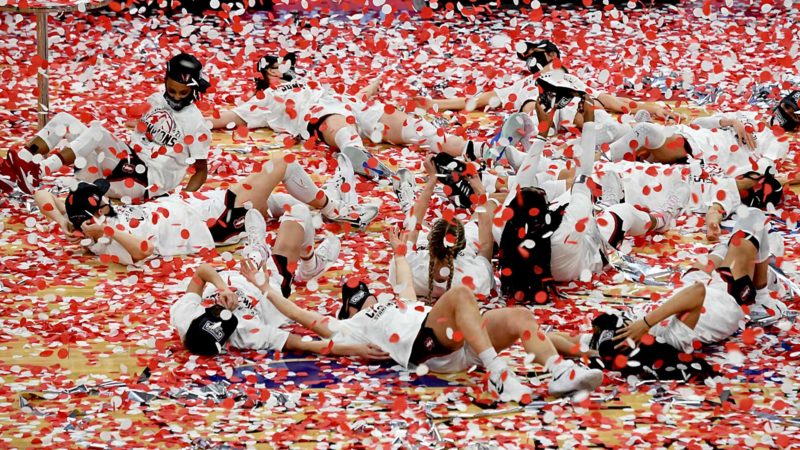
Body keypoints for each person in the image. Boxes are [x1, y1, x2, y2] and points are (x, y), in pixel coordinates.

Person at [259, 227, 604, 402]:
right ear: (348, 307)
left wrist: (397, 252)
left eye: (363, 291)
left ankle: (559, 372)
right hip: (427, 347)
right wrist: (265, 288)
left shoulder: (400, 303)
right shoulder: (351, 325)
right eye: (354, 296)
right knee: (459, 296)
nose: (362, 295)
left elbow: (406, 282)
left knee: (519, 317)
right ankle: (498, 373)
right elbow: (302, 315)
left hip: (461, 342)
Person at [32, 152, 376, 265]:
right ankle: (334, 210)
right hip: (215, 223)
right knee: (280, 165)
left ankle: (323, 207)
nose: (112, 201)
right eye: (106, 203)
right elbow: (142, 250)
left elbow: (41, 194)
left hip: (204, 205)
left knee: (276, 200)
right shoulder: (109, 238)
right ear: (99, 215)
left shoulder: (94, 225)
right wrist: (102, 229)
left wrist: (65, 221)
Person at [550, 207, 788, 358]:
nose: (620, 323)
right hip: (726, 294)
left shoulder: (614, 342)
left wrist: (590, 352)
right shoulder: (674, 341)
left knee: (716, 256)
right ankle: (764, 294)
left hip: (691, 286)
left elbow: (554, 339)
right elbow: (696, 295)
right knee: (753, 220)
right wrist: (644, 323)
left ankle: (747, 255)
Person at [209, 52, 476, 177]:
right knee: (340, 124)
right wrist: (186, 121)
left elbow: (354, 97)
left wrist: (370, 89)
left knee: (414, 128)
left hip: (350, 105)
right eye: (274, 67)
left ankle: (479, 149)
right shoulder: (265, 98)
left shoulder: (308, 81)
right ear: (265, 75)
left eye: (281, 65)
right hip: (319, 115)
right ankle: (358, 156)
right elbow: (229, 117)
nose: (281, 69)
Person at [170, 209, 387, 358]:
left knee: (288, 218)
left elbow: (201, 272)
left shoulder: (184, 315)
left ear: (201, 315)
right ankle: (308, 263)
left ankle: (263, 253)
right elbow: (300, 343)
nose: (228, 310)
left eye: (219, 312)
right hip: (269, 285)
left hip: (237, 273)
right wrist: (354, 349)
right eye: (229, 321)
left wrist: (222, 287)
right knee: (298, 214)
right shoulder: (246, 333)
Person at [2, 53, 213, 199]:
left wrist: (183, 202)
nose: (176, 97)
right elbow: (138, 138)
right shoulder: (156, 100)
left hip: (145, 183)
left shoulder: (196, 124)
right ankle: (18, 168)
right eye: (172, 90)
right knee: (64, 119)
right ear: (165, 81)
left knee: (98, 133)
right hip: (110, 175)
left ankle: (38, 171)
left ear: (194, 90)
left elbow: (200, 172)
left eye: (183, 93)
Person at [597, 156, 786, 242]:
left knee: (586, 181)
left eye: (756, 178)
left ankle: (607, 210)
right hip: (640, 171)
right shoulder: (724, 177)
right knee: (583, 175)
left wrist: (713, 224)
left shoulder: (730, 193)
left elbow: (716, 210)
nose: (750, 174)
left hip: (636, 189)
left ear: (755, 185)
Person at [389, 156, 496, 301]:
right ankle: (470, 195)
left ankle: (407, 204)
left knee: (413, 225)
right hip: (464, 258)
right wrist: (480, 190)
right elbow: (486, 244)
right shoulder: (476, 278)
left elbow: (414, 226)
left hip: (424, 257)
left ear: (430, 241)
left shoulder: (406, 267)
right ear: (462, 244)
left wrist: (432, 179)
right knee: (488, 208)